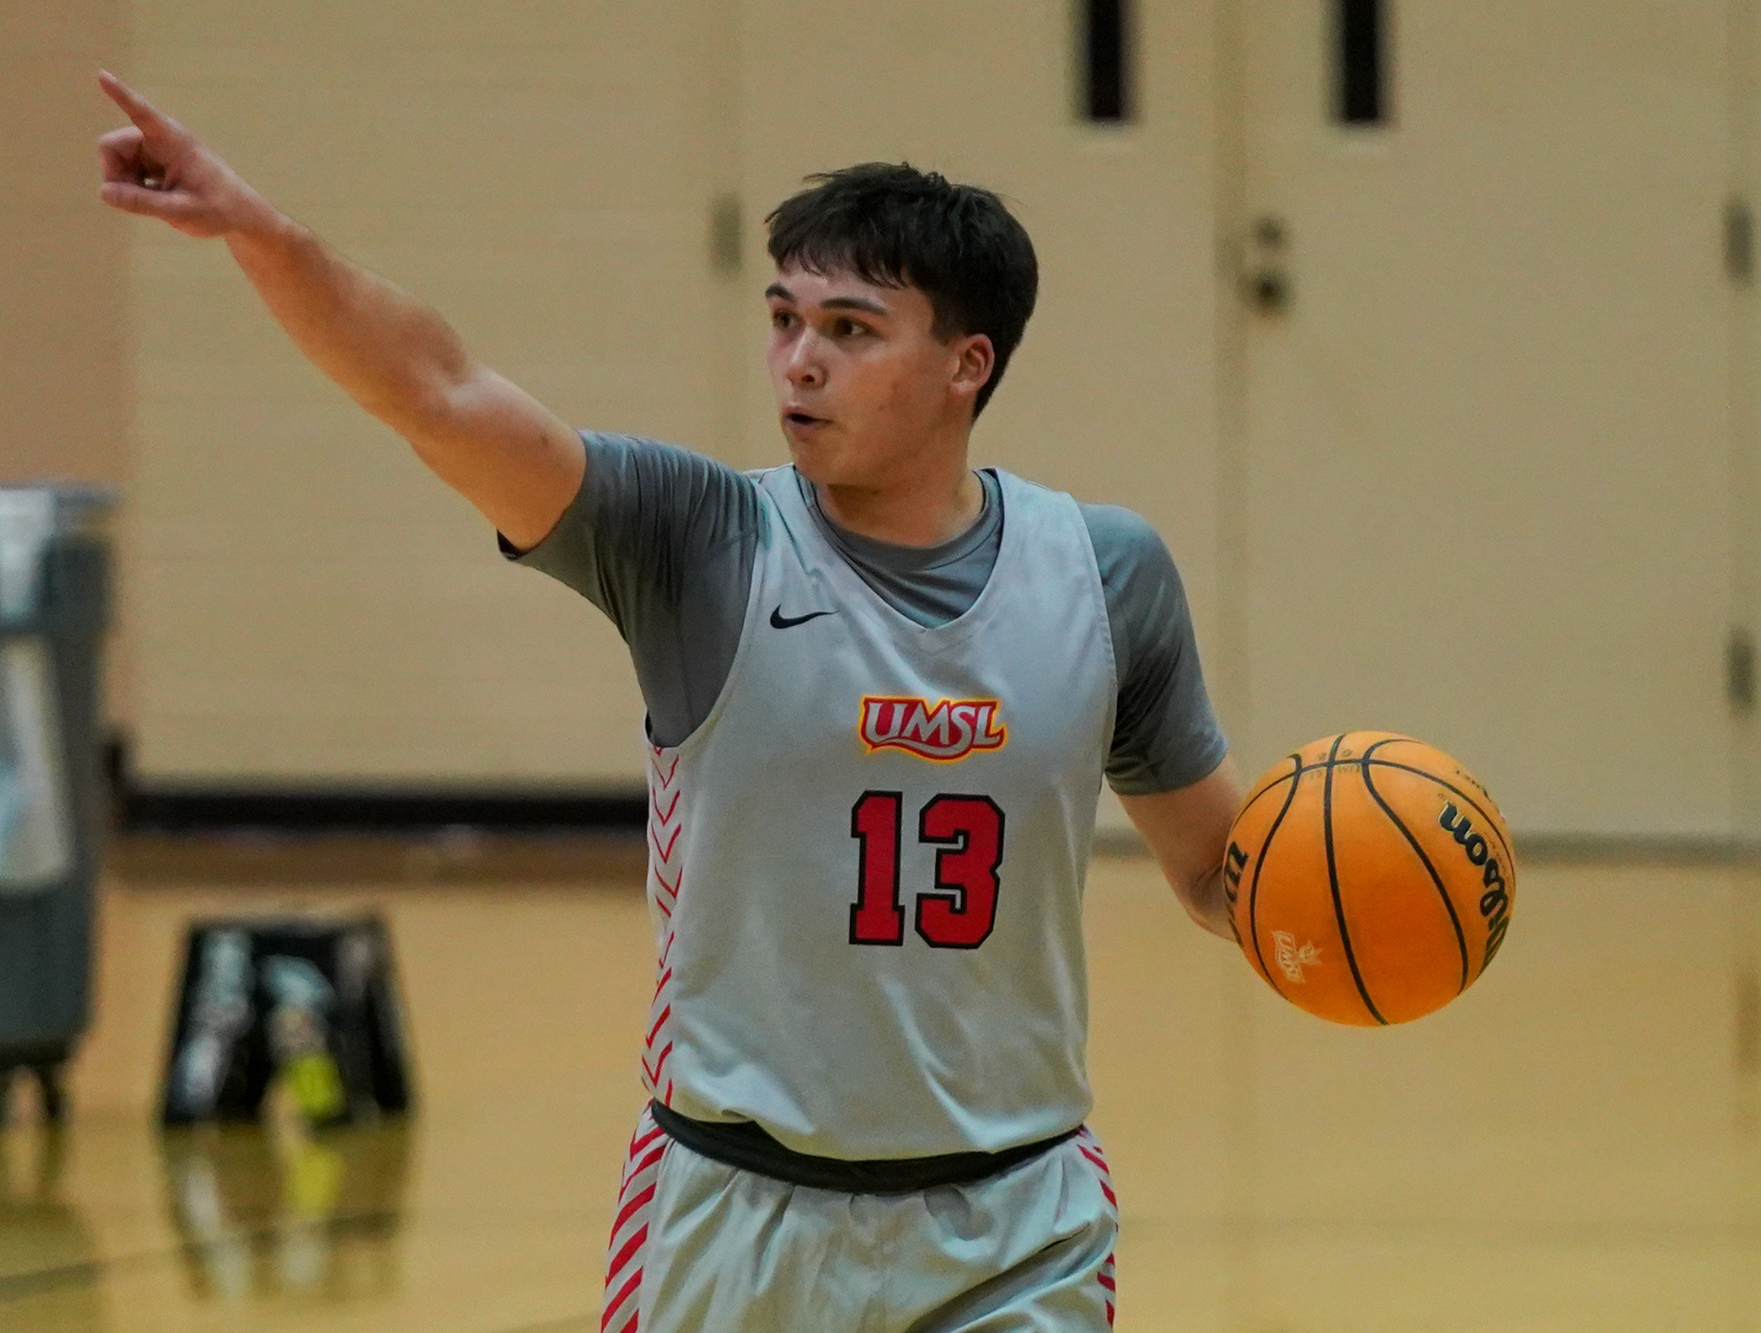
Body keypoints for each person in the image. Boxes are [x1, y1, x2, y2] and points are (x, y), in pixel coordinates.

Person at [96, 68, 1245, 1332]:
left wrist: (1339, 913)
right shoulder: (700, 540)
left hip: (1013, 1223)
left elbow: (1214, 870)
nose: (798, 361)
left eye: (849, 330)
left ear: (965, 364)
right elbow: (437, 392)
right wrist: (259, 233)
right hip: (737, 1214)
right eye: (783, 319)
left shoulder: (1101, 573)